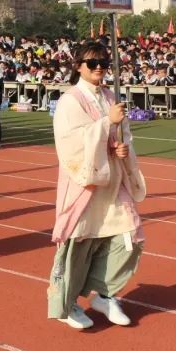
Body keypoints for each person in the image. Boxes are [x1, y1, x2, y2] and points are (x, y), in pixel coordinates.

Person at [48, 41, 146, 330]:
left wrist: (121, 147)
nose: (100, 67)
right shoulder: (71, 100)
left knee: (128, 237)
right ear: (78, 66)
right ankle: (68, 305)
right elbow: (70, 142)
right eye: (93, 63)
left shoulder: (109, 95)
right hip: (85, 184)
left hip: (113, 181)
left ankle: (105, 294)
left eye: (103, 61)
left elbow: (121, 132)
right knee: (79, 245)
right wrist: (107, 123)